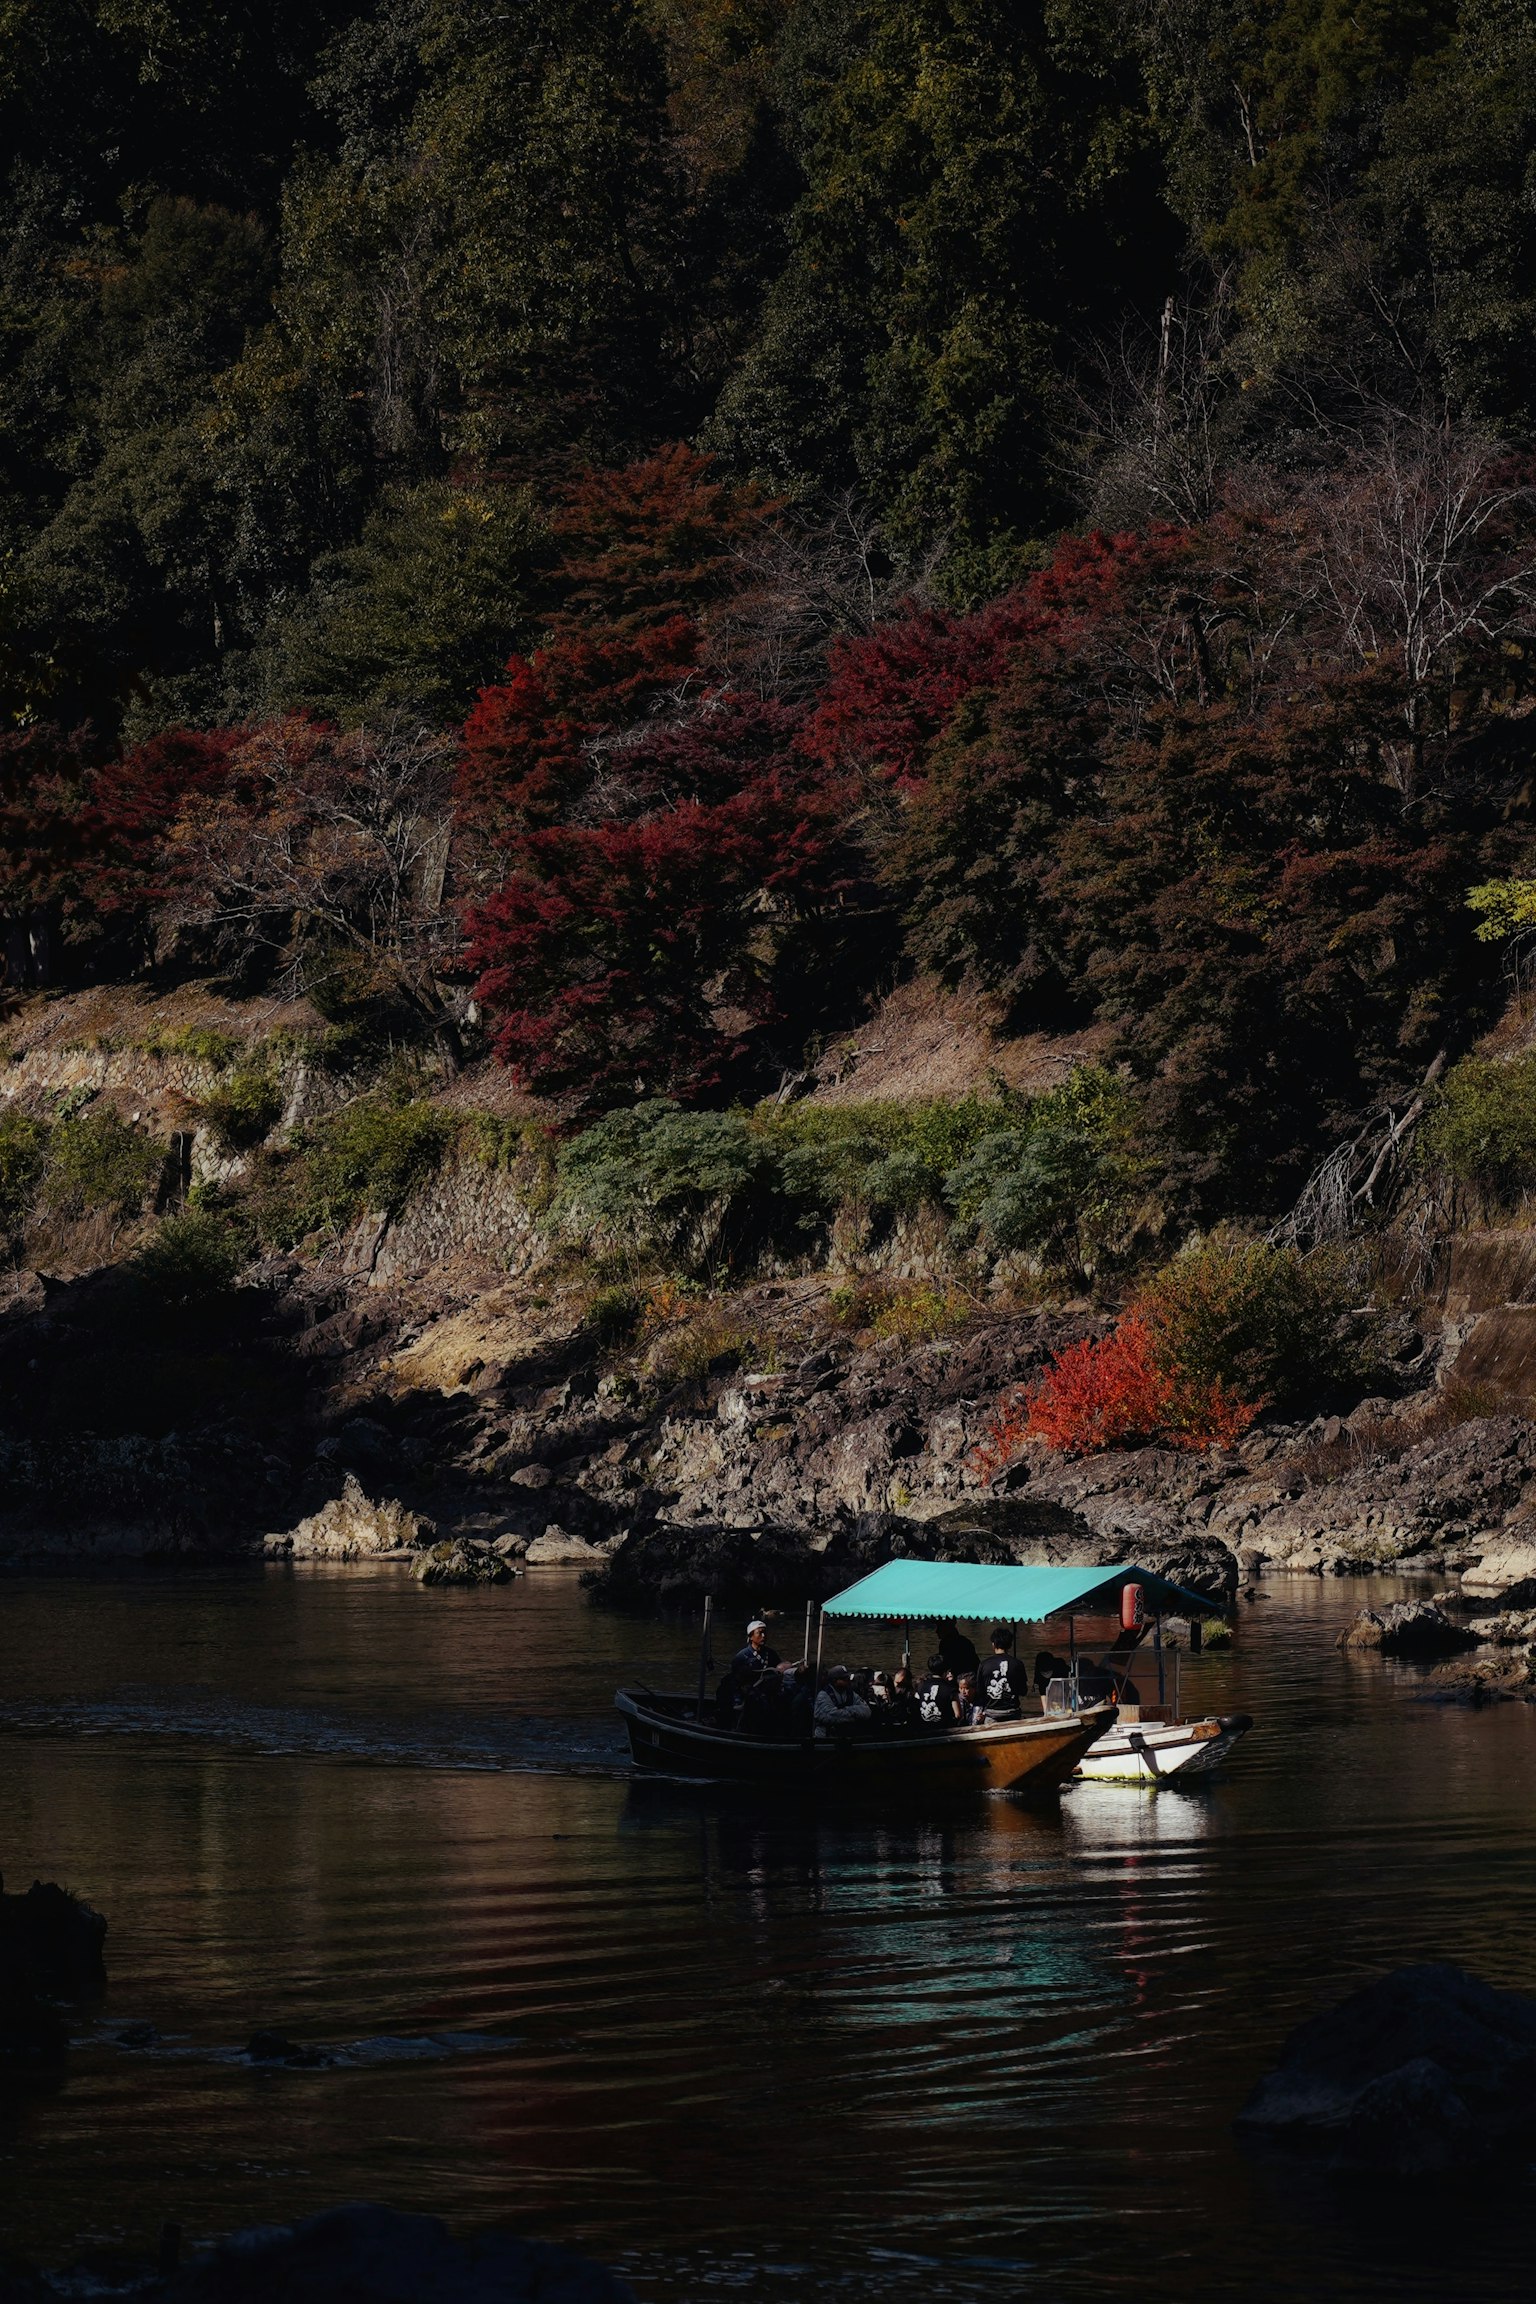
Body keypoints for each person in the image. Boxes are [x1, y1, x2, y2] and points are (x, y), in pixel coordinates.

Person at [975, 1627, 1028, 1721]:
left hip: (991, 1713)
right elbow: (1023, 1691)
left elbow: (980, 1691)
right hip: (1012, 1712)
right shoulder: (1017, 1664)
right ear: (1010, 1645)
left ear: (993, 1644)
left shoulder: (984, 1664)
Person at [814, 1666, 871, 1740]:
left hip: (845, 1737)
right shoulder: (823, 1695)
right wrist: (855, 1716)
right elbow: (829, 1716)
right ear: (834, 1680)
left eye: (848, 1677)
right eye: (844, 1678)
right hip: (826, 1739)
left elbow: (866, 1711)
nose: (848, 1680)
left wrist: (847, 1710)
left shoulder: (851, 1694)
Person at [730, 1619, 781, 1686]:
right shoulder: (741, 1657)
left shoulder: (771, 1654)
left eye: (764, 1632)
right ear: (750, 1637)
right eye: (759, 1633)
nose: (763, 1636)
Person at [916, 1654, 959, 1729]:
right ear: (946, 1670)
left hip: (924, 1728)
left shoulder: (921, 1686)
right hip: (944, 1729)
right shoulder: (950, 1689)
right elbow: (958, 1715)